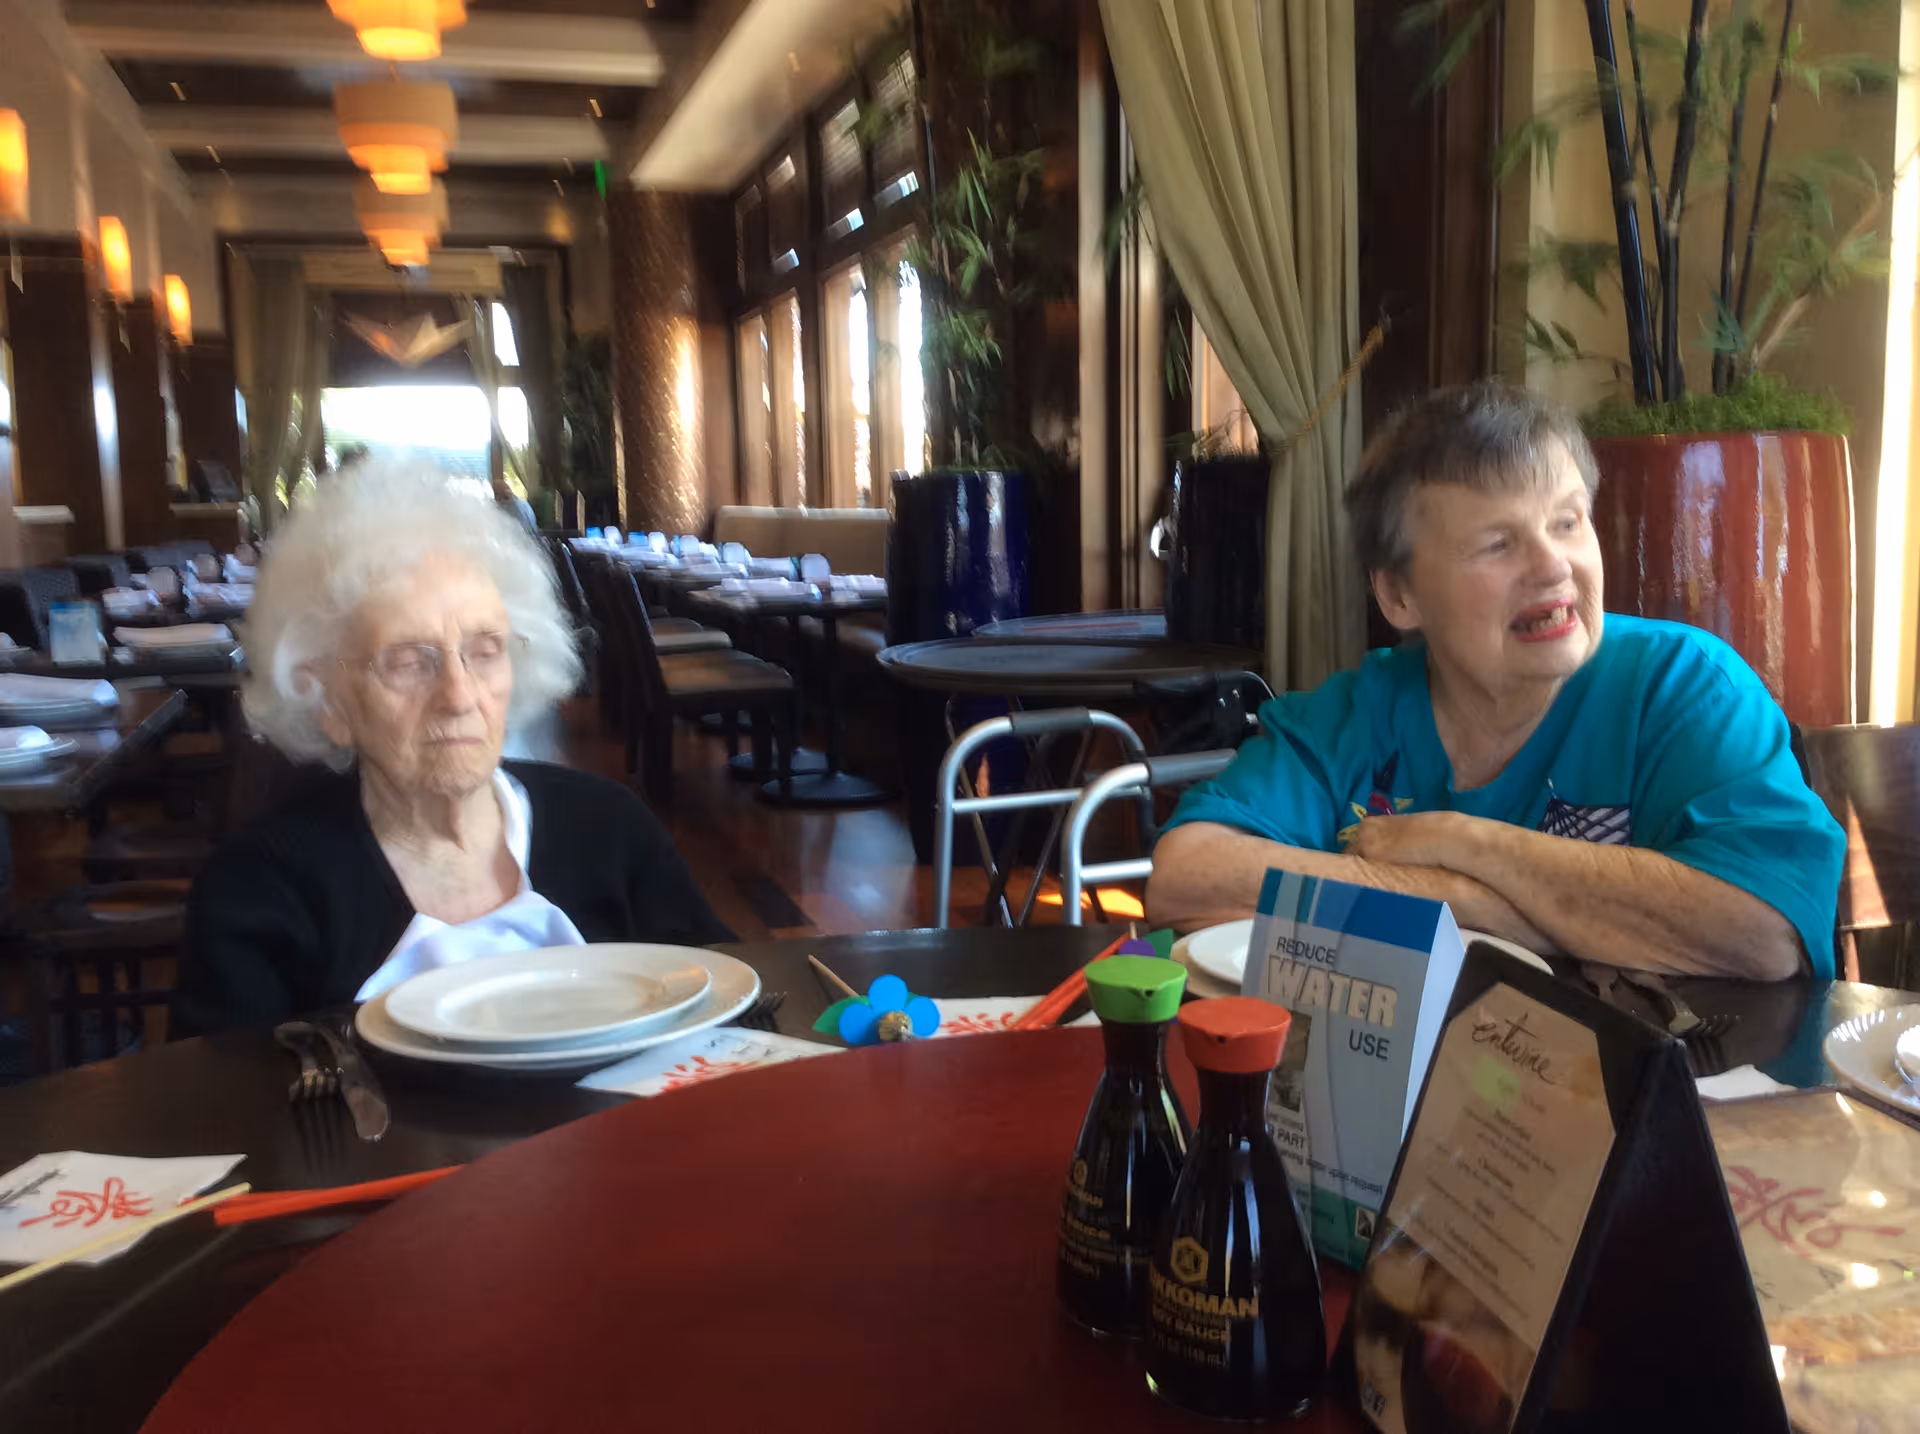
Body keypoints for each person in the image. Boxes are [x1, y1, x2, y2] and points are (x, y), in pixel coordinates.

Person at [1146, 382, 1844, 981]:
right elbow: (1187, 877)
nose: (1554, 566)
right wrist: (1494, 909)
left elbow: (1767, 929)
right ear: (1399, 597)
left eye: (1567, 523)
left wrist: (1464, 842)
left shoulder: (1685, 687)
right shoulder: (1348, 720)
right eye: (1498, 544)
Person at [171, 463, 732, 1036]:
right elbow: (225, 1118)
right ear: (327, 700)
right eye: (409, 662)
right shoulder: (260, 892)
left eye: (485, 650)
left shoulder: (610, 830)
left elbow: (731, 1014)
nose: (459, 695)